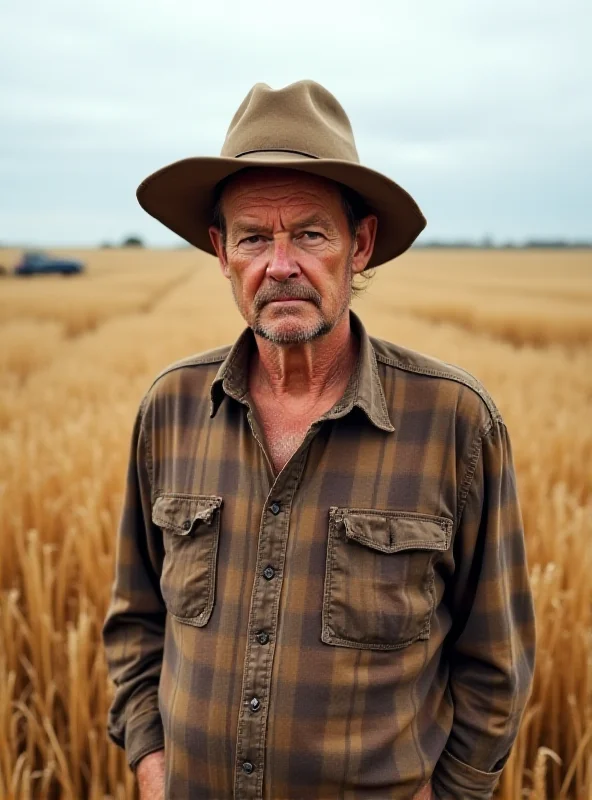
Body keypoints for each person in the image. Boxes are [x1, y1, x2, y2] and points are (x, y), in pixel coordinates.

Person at [102, 80, 536, 800]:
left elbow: (497, 664)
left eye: (309, 233)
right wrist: (151, 765)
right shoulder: (171, 408)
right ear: (221, 251)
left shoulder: (454, 421)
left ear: (358, 245)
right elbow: (136, 621)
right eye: (253, 237)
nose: (280, 265)